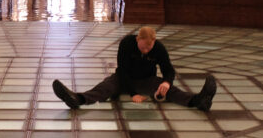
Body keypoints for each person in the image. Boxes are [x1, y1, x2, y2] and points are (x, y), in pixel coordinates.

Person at [52, 26, 217, 111]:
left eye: (149, 48)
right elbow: (122, 70)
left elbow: (169, 70)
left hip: (147, 81)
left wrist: (166, 82)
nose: (146, 51)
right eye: (144, 47)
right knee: (105, 87)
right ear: (138, 39)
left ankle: (199, 101)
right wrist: (133, 94)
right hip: (124, 79)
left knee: (172, 91)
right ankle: (77, 99)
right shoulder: (126, 44)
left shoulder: (158, 48)